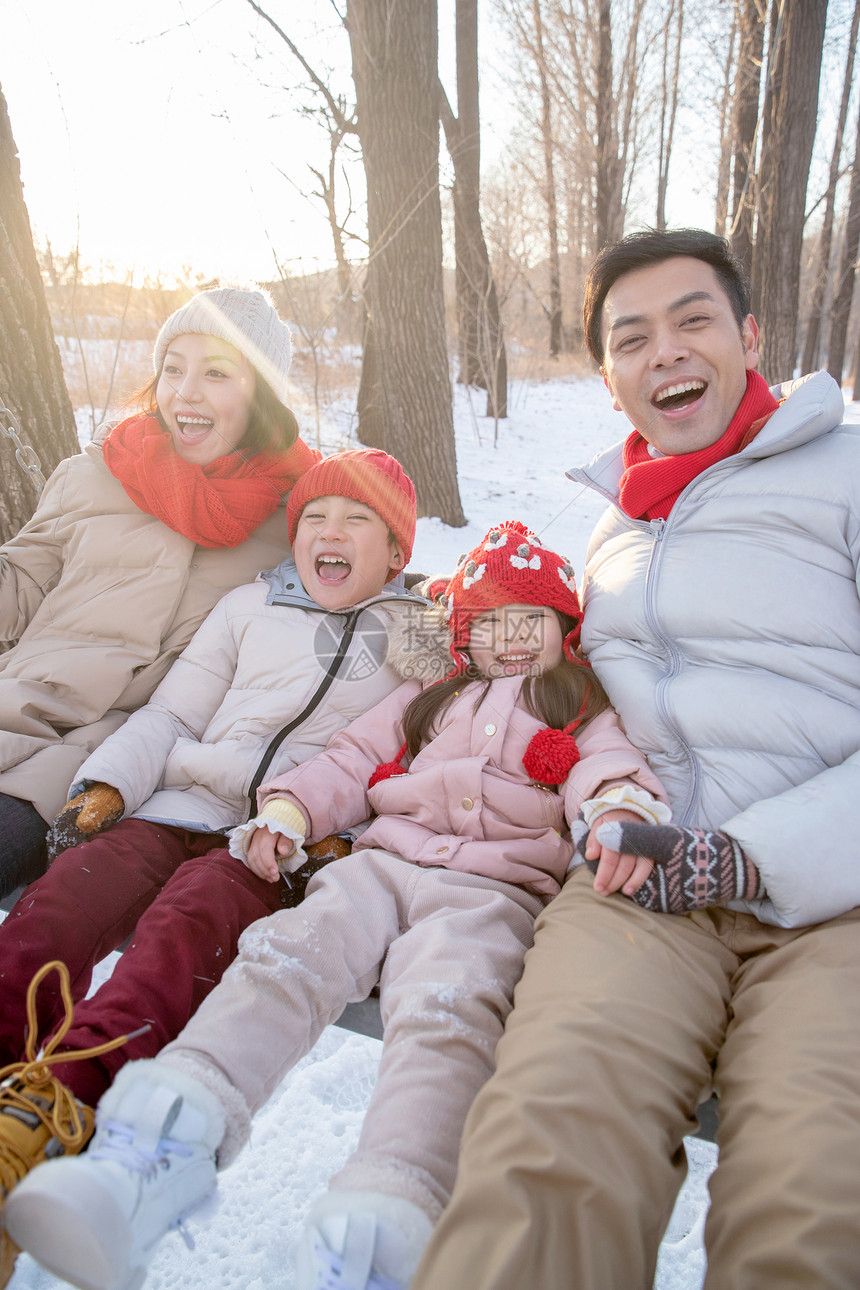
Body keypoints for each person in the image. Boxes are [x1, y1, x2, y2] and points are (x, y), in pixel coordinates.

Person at [6, 519, 669, 1290]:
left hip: (491, 895)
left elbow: (610, 770)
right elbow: (352, 760)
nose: (511, 639)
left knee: (448, 1013)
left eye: (531, 620)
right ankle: (157, 1148)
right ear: (463, 635)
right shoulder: (431, 695)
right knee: (283, 960)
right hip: (377, 868)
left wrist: (618, 811)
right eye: (488, 623)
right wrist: (291, 811)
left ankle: (386, 1212)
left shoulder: (581, 707)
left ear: (565, 629)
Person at [408, 229, 860, 1290]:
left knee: (810, 1188)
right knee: (542, 1150)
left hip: (835, 902)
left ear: (748, 337)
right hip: (634, 882)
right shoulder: (609, 528)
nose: (665, 352)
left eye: (691, 319)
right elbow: (535, 691)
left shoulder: (845, 476)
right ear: (609, 381)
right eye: (631, 337)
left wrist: (751, 856)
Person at [0, 449, 424, 1242]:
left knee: (181, 931)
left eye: (356, 519)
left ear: (397, 551)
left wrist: (343, 838)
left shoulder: (419, 640)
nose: (330, 532)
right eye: (315, 518)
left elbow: (404, 754)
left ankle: (62, 1101)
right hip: (171, 805)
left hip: (272, 842)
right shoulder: (247, 608)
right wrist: (109, 786)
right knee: (61, 903)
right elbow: (171, 717)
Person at [0, 286, 319, 900]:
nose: (185, 391)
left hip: (122, 754)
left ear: (262, 394)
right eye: (173, 369)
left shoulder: (296, 516)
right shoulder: (95, 475)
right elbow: (20, 585)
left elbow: (357, 597)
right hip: (20, 701)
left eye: (216, 372)